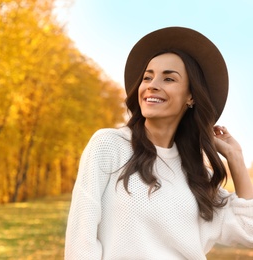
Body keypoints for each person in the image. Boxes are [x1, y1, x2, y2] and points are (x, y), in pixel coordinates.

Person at [64, 27, 253, 260]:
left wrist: (235, 157)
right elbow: (80, 244)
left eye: (169, 78)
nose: (152, 85)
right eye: (147, 77)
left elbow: (249, 231)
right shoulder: (108, 145)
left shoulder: (198, 175)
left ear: (191, 97)